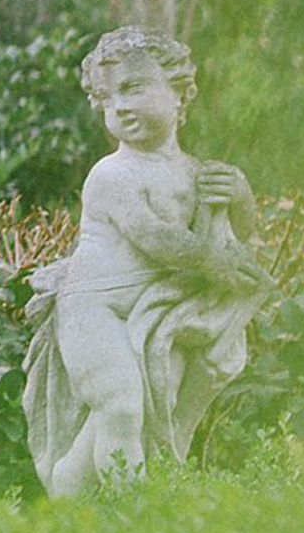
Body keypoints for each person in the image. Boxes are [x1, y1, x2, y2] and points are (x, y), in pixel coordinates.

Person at [22, 26, 266, 497]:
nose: (120, 106)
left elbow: (243, 237)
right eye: (107, 98)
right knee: (120, 406)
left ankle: (68, 500)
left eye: (133, 88)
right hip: (92, 308)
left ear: (179, 93)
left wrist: (240, 196)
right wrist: (214, 262)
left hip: (156, 312)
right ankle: (138, 516)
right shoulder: (111, 173)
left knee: (154, 411)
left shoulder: (194, 172)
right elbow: (156, 238)